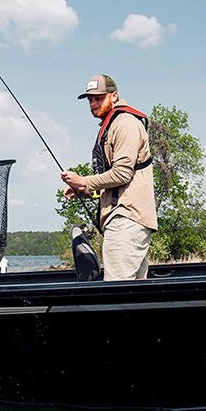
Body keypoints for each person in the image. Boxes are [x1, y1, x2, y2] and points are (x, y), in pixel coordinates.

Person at [61, 74, 158, 281]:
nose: (93, 104)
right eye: (90, 99)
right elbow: (116, 182)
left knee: (115, 288)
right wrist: (85, 191)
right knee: (134, 292)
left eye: (99, 98)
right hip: (126, 218)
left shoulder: (125, 124)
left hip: (127, 218)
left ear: (114, 96)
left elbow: (123, 173)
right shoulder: (113, 124)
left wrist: (84, 181)